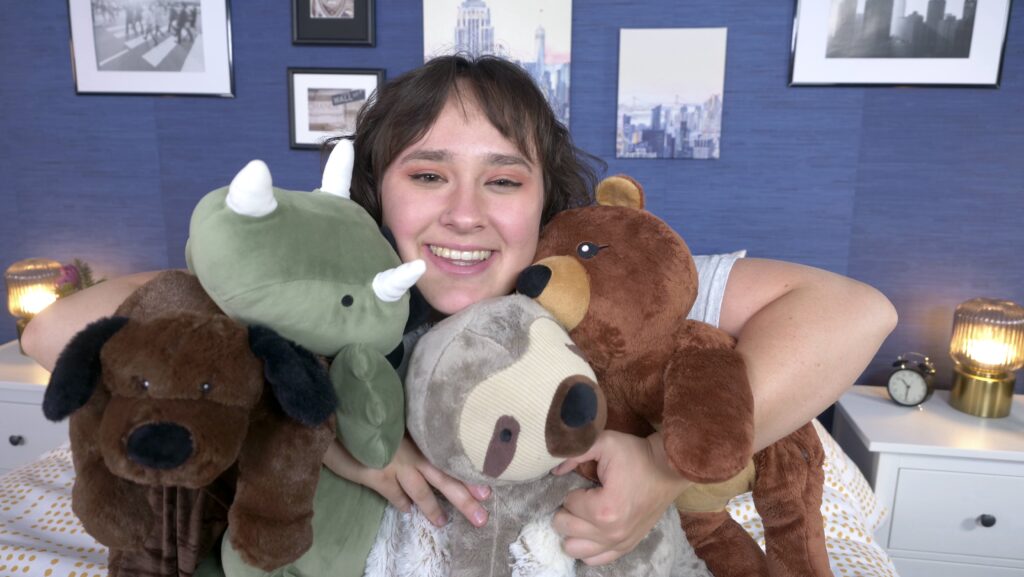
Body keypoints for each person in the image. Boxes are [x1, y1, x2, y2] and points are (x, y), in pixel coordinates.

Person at [22, 55, 897, 568]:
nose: (466, 214)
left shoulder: (603, 281)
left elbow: (854, 311)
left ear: (547, 201)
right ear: (376, 195)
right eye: (428, 173)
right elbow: (56, 327)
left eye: (503, 180)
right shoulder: (332, 287)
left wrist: (666, 465)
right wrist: (335, 433)